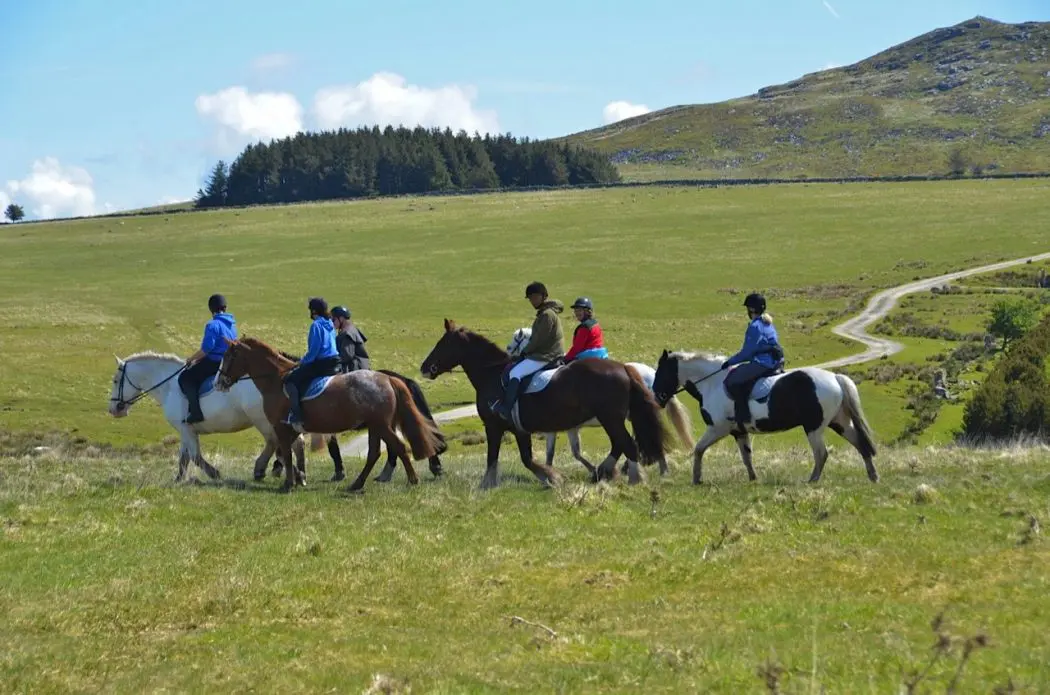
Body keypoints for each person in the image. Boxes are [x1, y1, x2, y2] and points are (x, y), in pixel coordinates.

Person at [493, 281, 565, 421]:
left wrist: (524, 352)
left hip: (547, 355)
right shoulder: (545, 313)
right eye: (531, 298)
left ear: (544, 296)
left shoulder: (547, 315)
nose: (533, 301)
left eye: (535, 297)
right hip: (546, 352)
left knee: (515, 372)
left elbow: (538, 339)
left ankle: (506, 409)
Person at [721, 292, 785, 427]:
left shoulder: (755, 326)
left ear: (751, 309)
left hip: (763, 363)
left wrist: (729, 362)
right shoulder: (767, 323)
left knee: (732, 380)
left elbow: (746, 353)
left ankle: (743, 415)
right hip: (776, 361)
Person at [282, 297, 340, 431]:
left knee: (290, 380)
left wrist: (301, 363)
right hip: (335, 361)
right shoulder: (330, 323)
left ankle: (296, 415)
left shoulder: (316, 325)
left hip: (322, 364)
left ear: (313, 311)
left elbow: (314, 351)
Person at [179, 294, 237, 424]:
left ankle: (195, 413)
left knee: (185, 378)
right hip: (228, 362)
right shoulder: (232, 324)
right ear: (225, 307)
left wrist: (191, 359)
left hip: (214, 363)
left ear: (211, 309)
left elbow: (206, 349)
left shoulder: (212, 325)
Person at [564, 296, 608, 362]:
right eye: (575, 311)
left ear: (587, 311)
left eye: (579, 310)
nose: (576, 313)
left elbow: (577, 348)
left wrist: (565, 359)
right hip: (600, 355)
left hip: (587, 357)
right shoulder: (595, 323)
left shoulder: (584, 327)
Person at [331, 305, 370, 373]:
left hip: (354, 370)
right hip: (361, 367)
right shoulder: (352, 329)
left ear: (341, 319)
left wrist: (330, 361)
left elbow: (347, 355)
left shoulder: (347, 333)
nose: (332, 323)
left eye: (333, 320)